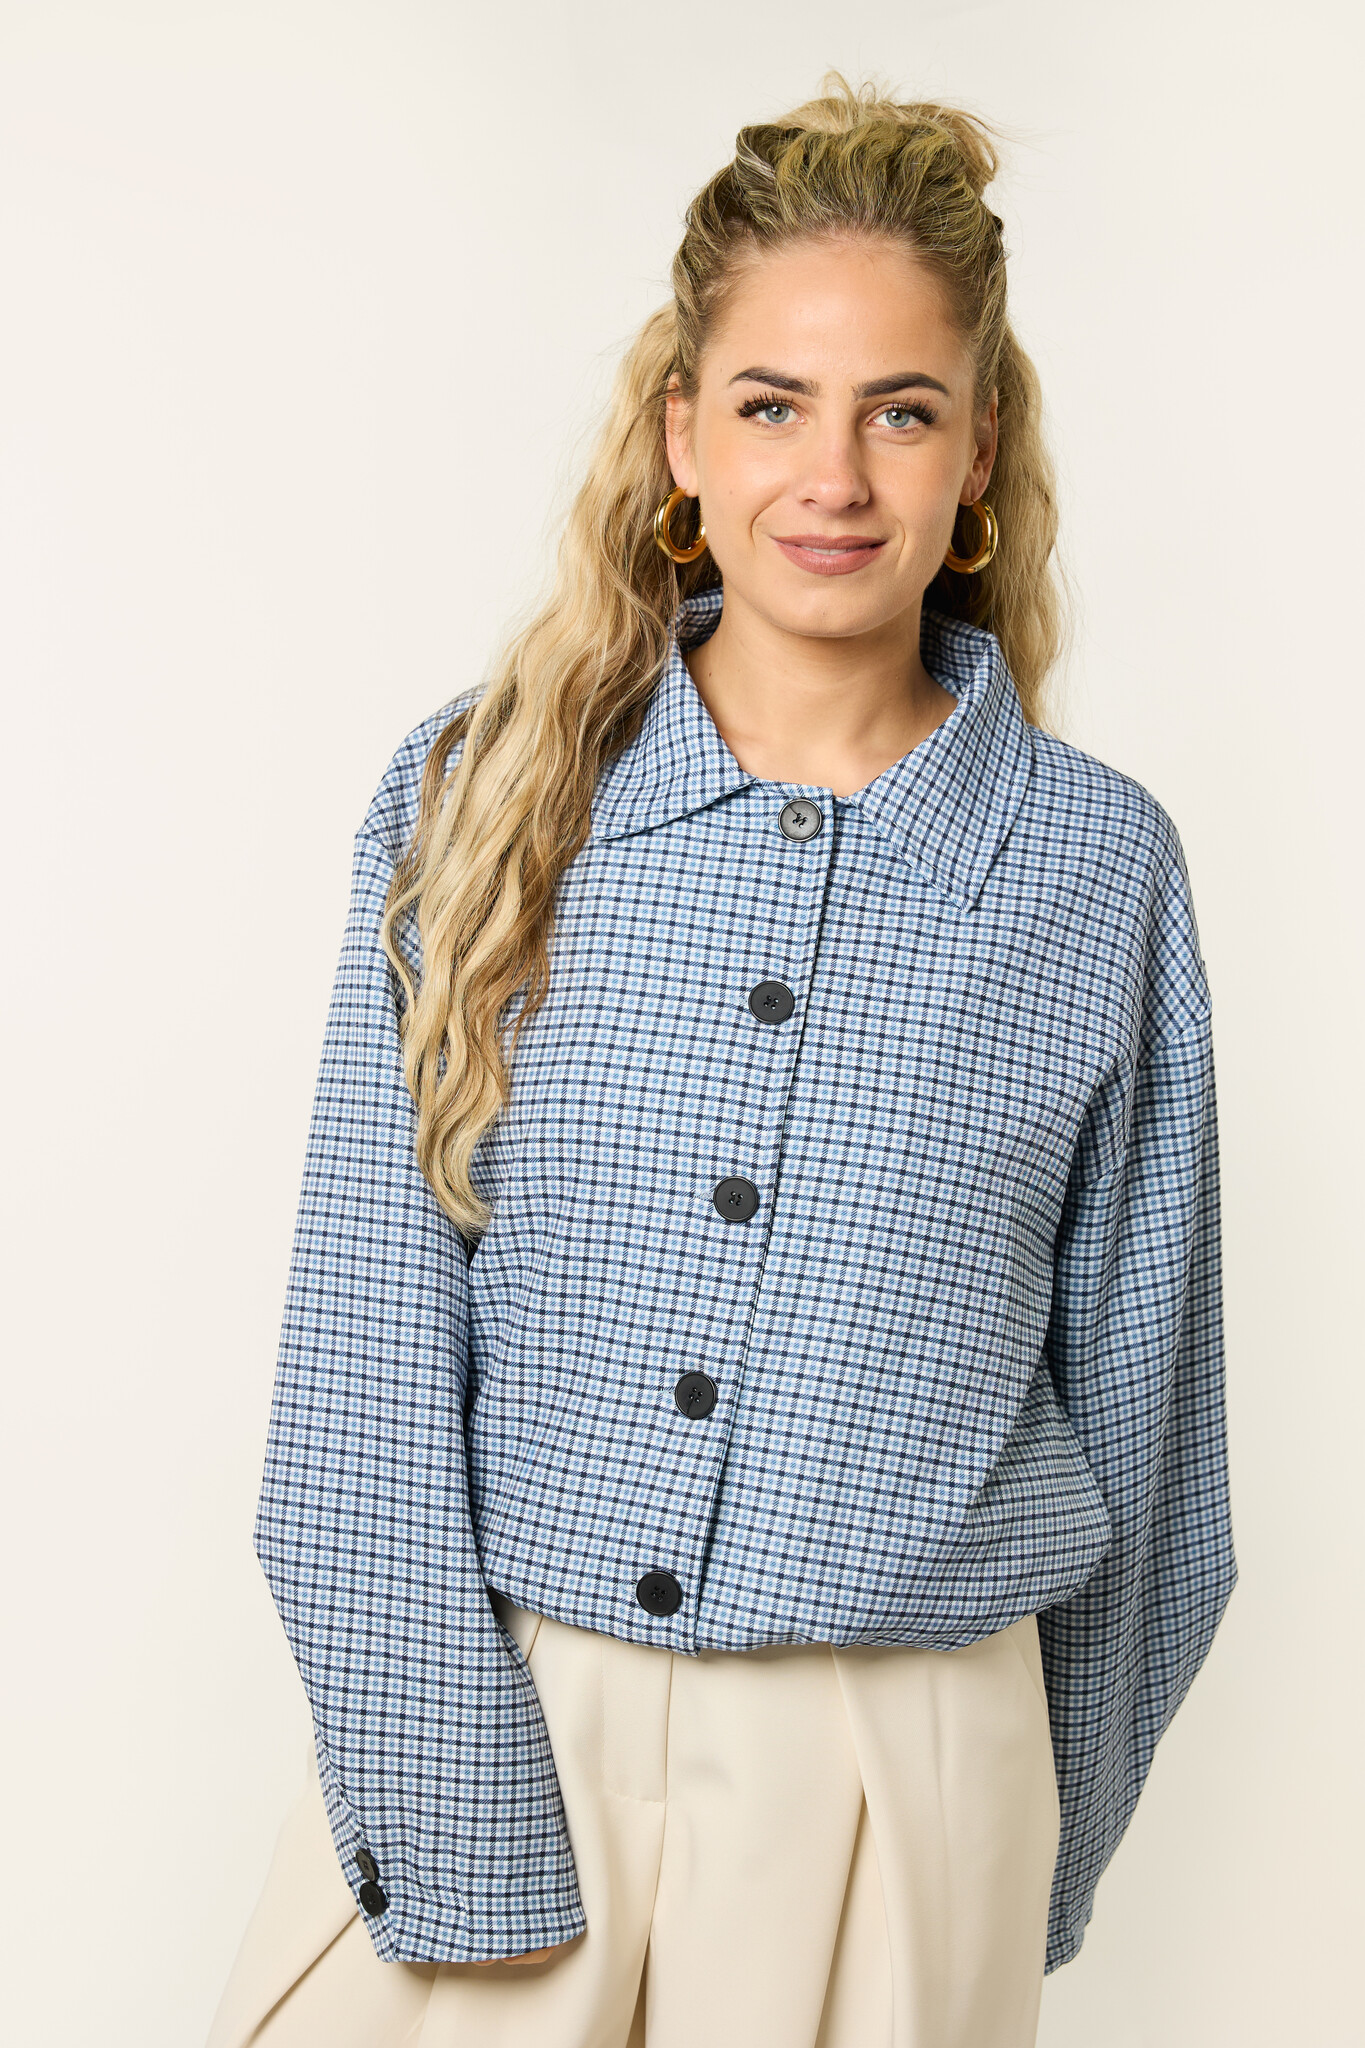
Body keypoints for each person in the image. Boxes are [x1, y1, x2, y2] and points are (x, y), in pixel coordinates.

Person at [206, 71, 1238, 2048]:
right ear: (681, 433)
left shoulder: (1094, 871)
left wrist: (1003, 1857)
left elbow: (1149, 1439)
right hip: (497, 1726)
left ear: (977, 452)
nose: (830, 476)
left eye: (898, 412)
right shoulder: (479, 799)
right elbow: (361, 1371)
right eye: (772, 405)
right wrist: (457, 1826)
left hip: (902, 1784)